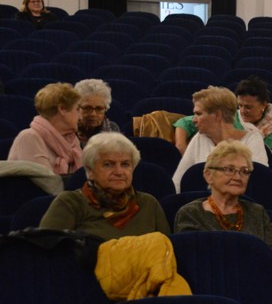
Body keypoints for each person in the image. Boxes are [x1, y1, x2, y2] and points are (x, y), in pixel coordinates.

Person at [39, 132, 169, 240]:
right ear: (90, 171)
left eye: (125, 164)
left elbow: (167, 252)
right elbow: (47, 255)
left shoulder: (148, 204)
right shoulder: (70, 203)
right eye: (108, 164)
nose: (119, 172)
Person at [173, 140, 272, 261]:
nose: (238, 177)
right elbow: (191, 261)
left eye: (244, 171)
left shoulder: (257, 212)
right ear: (209, 175)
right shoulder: (191, 214)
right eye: (229, 169)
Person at [172, 87, 270, 192]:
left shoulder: (253, 139)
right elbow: (178, 182)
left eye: (199, 114)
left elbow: (259, 183)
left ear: (218, 115)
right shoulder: (200, 138)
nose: (194, 120)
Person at [8, 82, 83, 176]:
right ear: (62, 109)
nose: (81, 117)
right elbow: (45, 183)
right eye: (77, 109)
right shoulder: (29, 137)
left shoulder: (72, 139)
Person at [235, 76, 272, 159]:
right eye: (240, 105)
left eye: (248, 107)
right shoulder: (232, 118)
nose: (242, 111)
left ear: (263, 104)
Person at [74, 79, 121, 147]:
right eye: (87, 108)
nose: (93, 114)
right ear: (76, 107)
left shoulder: (112, 129)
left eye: (99, 109)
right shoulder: (67, 129)